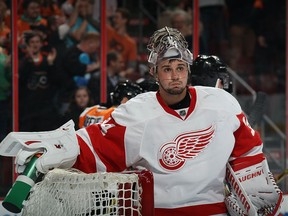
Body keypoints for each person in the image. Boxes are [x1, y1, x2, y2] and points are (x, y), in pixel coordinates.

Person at [0, 27, 283, 215]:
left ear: (188, 69)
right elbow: (93, 147)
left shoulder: (221, 103)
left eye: (180, 68)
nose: (175, 75)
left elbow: (247, 152)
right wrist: (55, 149)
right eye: (167, 68)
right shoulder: (137, 113)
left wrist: (258, 196)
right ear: (155, 73)